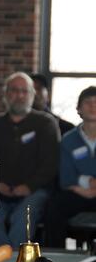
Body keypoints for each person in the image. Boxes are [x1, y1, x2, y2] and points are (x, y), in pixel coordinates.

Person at [0, 72, 60, 248]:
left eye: (25, 91)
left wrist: (28, 187)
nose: (20, 95)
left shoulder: (46, 123)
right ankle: (0, 261)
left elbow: (50, 164)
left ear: (32, 95)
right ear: (6, 94)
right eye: (14, 90)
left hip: (35, 190)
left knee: (24, 214)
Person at [45, 86, 96, 248]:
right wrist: (87, 184)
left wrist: (87, 181)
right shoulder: (68, 140)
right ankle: (56, 258)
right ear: (78, 109)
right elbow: (66, 177)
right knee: (53, 207)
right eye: (88, 102)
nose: (93, 106)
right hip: (77, 192)